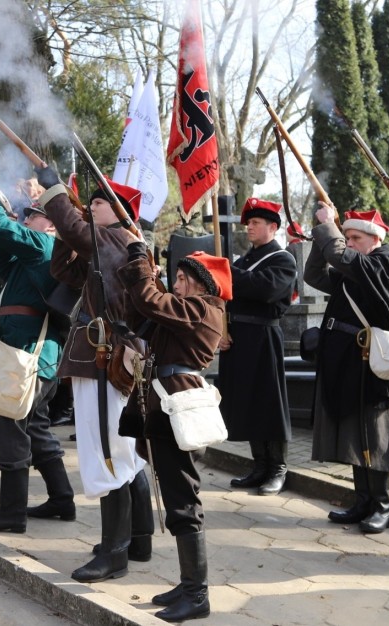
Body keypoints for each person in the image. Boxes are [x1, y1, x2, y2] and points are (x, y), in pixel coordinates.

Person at [35, 166, 153, 582]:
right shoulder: (109, 244)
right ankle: (138, 539)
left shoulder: (117, 240)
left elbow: (74, 230)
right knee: (125, 454)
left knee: (107, 453)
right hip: (104, 356)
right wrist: (72, 231)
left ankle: (114, 554)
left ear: (119, 212)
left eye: (99, 203)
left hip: (107, 357)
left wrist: (54, 190)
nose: (92, 208)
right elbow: (65, 271)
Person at [117, 246, 229, 622]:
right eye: (176, 278)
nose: (176, 284)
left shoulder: (204, 309)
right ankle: (188, 584)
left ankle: (197, 594)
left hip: (176, 406)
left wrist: (142, 268)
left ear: (202, 284)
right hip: (164, 406)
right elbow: (141, 313)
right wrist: (142, 273)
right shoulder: (185, 310)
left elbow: (151, 301)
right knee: (177, 493)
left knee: (183, 499)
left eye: (183, 279)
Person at [0, 162, 74, 534]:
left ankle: (12, 513)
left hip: (25, 355)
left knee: (6, 423)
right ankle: (62, 498)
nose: (28, 220)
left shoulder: (47, 245)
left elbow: (2, 229)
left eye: (35, 216)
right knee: (36, 429)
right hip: (31, 355)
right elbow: (2, 245)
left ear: (53, 225)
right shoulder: (30, 251)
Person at [304, 205, 389, 534]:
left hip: (370, 361)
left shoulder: (383, 262)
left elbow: (344, 259)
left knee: (373, 433)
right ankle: (362, 500)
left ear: (375, 239)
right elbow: (315, 276)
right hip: (348, 359)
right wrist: (324, 238)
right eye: (346, 237)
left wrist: (328, 227)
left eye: (355, 237)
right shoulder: (354, 268)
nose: (348, 242)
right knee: (353, 431)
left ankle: (382, 504)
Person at [219, 198, 297, 495]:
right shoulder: (244, 261)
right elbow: (227, 295)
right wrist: (221, 330)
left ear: (272, 227)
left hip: (264, 337)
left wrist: (225, 271)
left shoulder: (282, 259)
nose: (249, 227)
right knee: (249, 402)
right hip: (239, 336)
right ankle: (259, 464)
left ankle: (277, 467)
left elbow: (262, 289)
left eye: (255, 223)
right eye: (248, 223)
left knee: (269, 403)